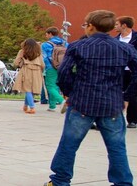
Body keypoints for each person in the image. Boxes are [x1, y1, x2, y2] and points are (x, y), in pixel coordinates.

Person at [46, 10, 137, 186]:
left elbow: (64, 73)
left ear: (91, 26)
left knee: (69, 144)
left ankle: (60, 180)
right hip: (112, 103)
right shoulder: (125, 48)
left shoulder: (78, 46)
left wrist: (70, 92)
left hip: (82, 102)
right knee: (117, 147)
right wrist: (127, 95)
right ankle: (123, 183)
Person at [115, 16, 137, 128]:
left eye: (117, 24)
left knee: (133, 95)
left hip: (133, 71)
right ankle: (115, 117)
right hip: (119, 71)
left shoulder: (136, 38)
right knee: (117, 93)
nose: (115, 26)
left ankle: (133, 120)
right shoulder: (115, 39)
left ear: (124, 25)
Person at [14, 38, 45, 114]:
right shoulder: (38, 53)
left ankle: (32, 108)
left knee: (27, 89)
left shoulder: (22, 52)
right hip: (37, 71)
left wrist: (20, 64)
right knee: (32, 90)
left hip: (26, 70)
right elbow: (42, 64)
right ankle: (25, 106)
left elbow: (16, 63)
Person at [42, 27, 67, 112]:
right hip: (63, 67)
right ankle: (52, 106)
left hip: (51, 67)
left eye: (46, 34)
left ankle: (62, 101)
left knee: (50, 85)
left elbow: (44, 58)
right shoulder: (65, 43)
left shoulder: (45, 45)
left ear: (50, 34)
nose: (46, 36)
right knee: (55, 86)